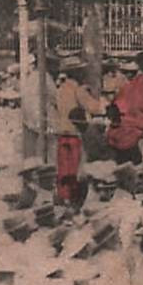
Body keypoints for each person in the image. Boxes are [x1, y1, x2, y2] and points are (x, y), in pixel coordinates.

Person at [54, 58, 105, 202]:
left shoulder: (60, 90)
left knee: (64, 168)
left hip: (62, 132)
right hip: (76, 133)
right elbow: (95, 108)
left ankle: (63, 196)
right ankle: (75, 198)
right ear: (76, 73)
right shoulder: (79, 90)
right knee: (76, 168)